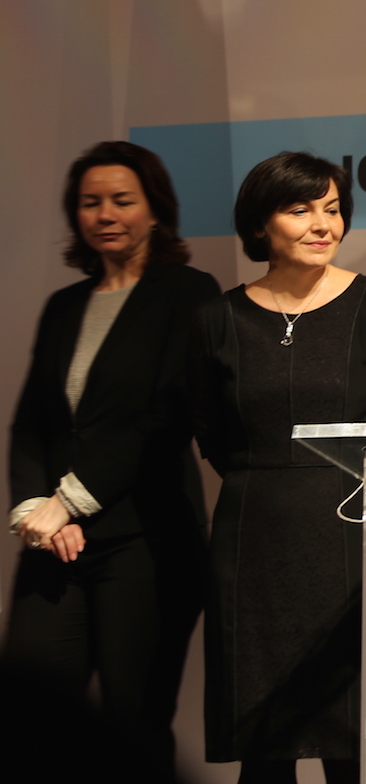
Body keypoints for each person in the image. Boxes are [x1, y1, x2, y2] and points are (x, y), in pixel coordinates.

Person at [192, 152, 366, 784]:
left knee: (356, 746)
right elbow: (210, 431)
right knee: (264, 750)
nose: (323, 224)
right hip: (254, 539)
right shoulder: (217, 320)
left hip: (352, 530)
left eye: (332, 209)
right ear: (260, 225)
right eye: (300, 210)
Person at [3, 141, 220, 783]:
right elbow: (29, 425)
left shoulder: (189, 293)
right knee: (30, 728)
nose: (105, 214)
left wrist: (68, 500)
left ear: (155, 209)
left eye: (122, 200)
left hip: (148, 544)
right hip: (53, 543)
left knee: (133, 728)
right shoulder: (64, 305)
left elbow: (164, 418)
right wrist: (33, 511)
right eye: (90, 202)